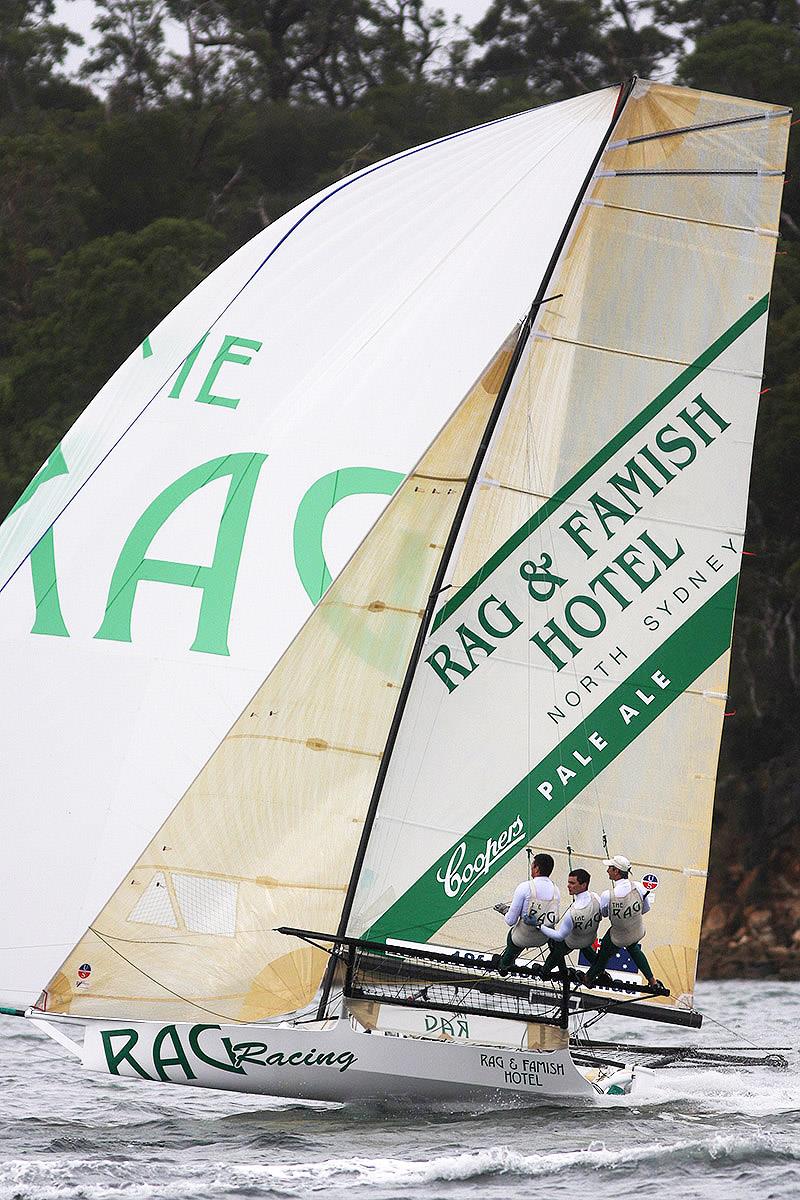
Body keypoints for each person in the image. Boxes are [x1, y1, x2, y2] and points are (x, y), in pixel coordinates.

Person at [584, 854, 660, 989]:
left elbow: (604, 914)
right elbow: (646, 908)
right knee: (633, 947)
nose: (607, 870)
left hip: (618, 935)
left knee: (603, 954)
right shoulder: (639, 887)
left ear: (616, 872)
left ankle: (589, 977)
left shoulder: (608, 895)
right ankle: (653, 981)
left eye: (610, 868)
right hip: (637, 930)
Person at [494, 852, 560, 974]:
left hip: (522, 938)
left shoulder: (524, 887)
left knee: (512, 937)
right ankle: (548, 969)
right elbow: (553, 918)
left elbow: (510, 921)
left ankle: (505, 964)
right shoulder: (556, 891)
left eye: (533, 865)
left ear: (537, 868)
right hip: (543, 939)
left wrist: (505, 910)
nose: (531, 867)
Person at [538, 867, 602, 977]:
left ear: (583, 885)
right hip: (589, 939)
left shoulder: (573, 912)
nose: (568, 886)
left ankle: (545, 971)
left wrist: (541, 927)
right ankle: (600, 971)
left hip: (572, 942)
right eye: (568, 882)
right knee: (583, 942)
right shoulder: (596, 897)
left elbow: (559, 936)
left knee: (555, 943)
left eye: (572, 883)